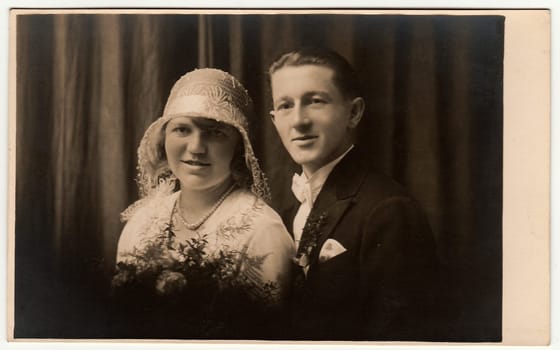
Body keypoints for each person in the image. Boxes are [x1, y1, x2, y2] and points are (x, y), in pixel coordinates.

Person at [268, 47, 441, 340]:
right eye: (286, 105)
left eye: (315, 101)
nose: (298, 120)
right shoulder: (284, 212)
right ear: (274, 120)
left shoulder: (389, 210)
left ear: (353, 113)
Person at [112, 68, 294, 339]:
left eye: (216, 132)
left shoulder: (262, 230)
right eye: (182, 129)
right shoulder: (142, 220)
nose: (196, 147)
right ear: (164, 139)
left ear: (239, 147)